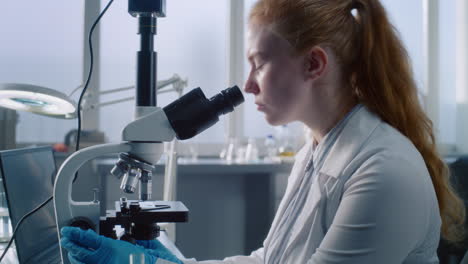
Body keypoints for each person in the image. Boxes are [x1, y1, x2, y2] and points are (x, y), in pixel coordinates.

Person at [61, 0, 466, 263]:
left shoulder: (383, 171)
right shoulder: (316, 149)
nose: (249, 84)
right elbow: (269, 259)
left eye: (259, 63)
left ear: (314, 64)